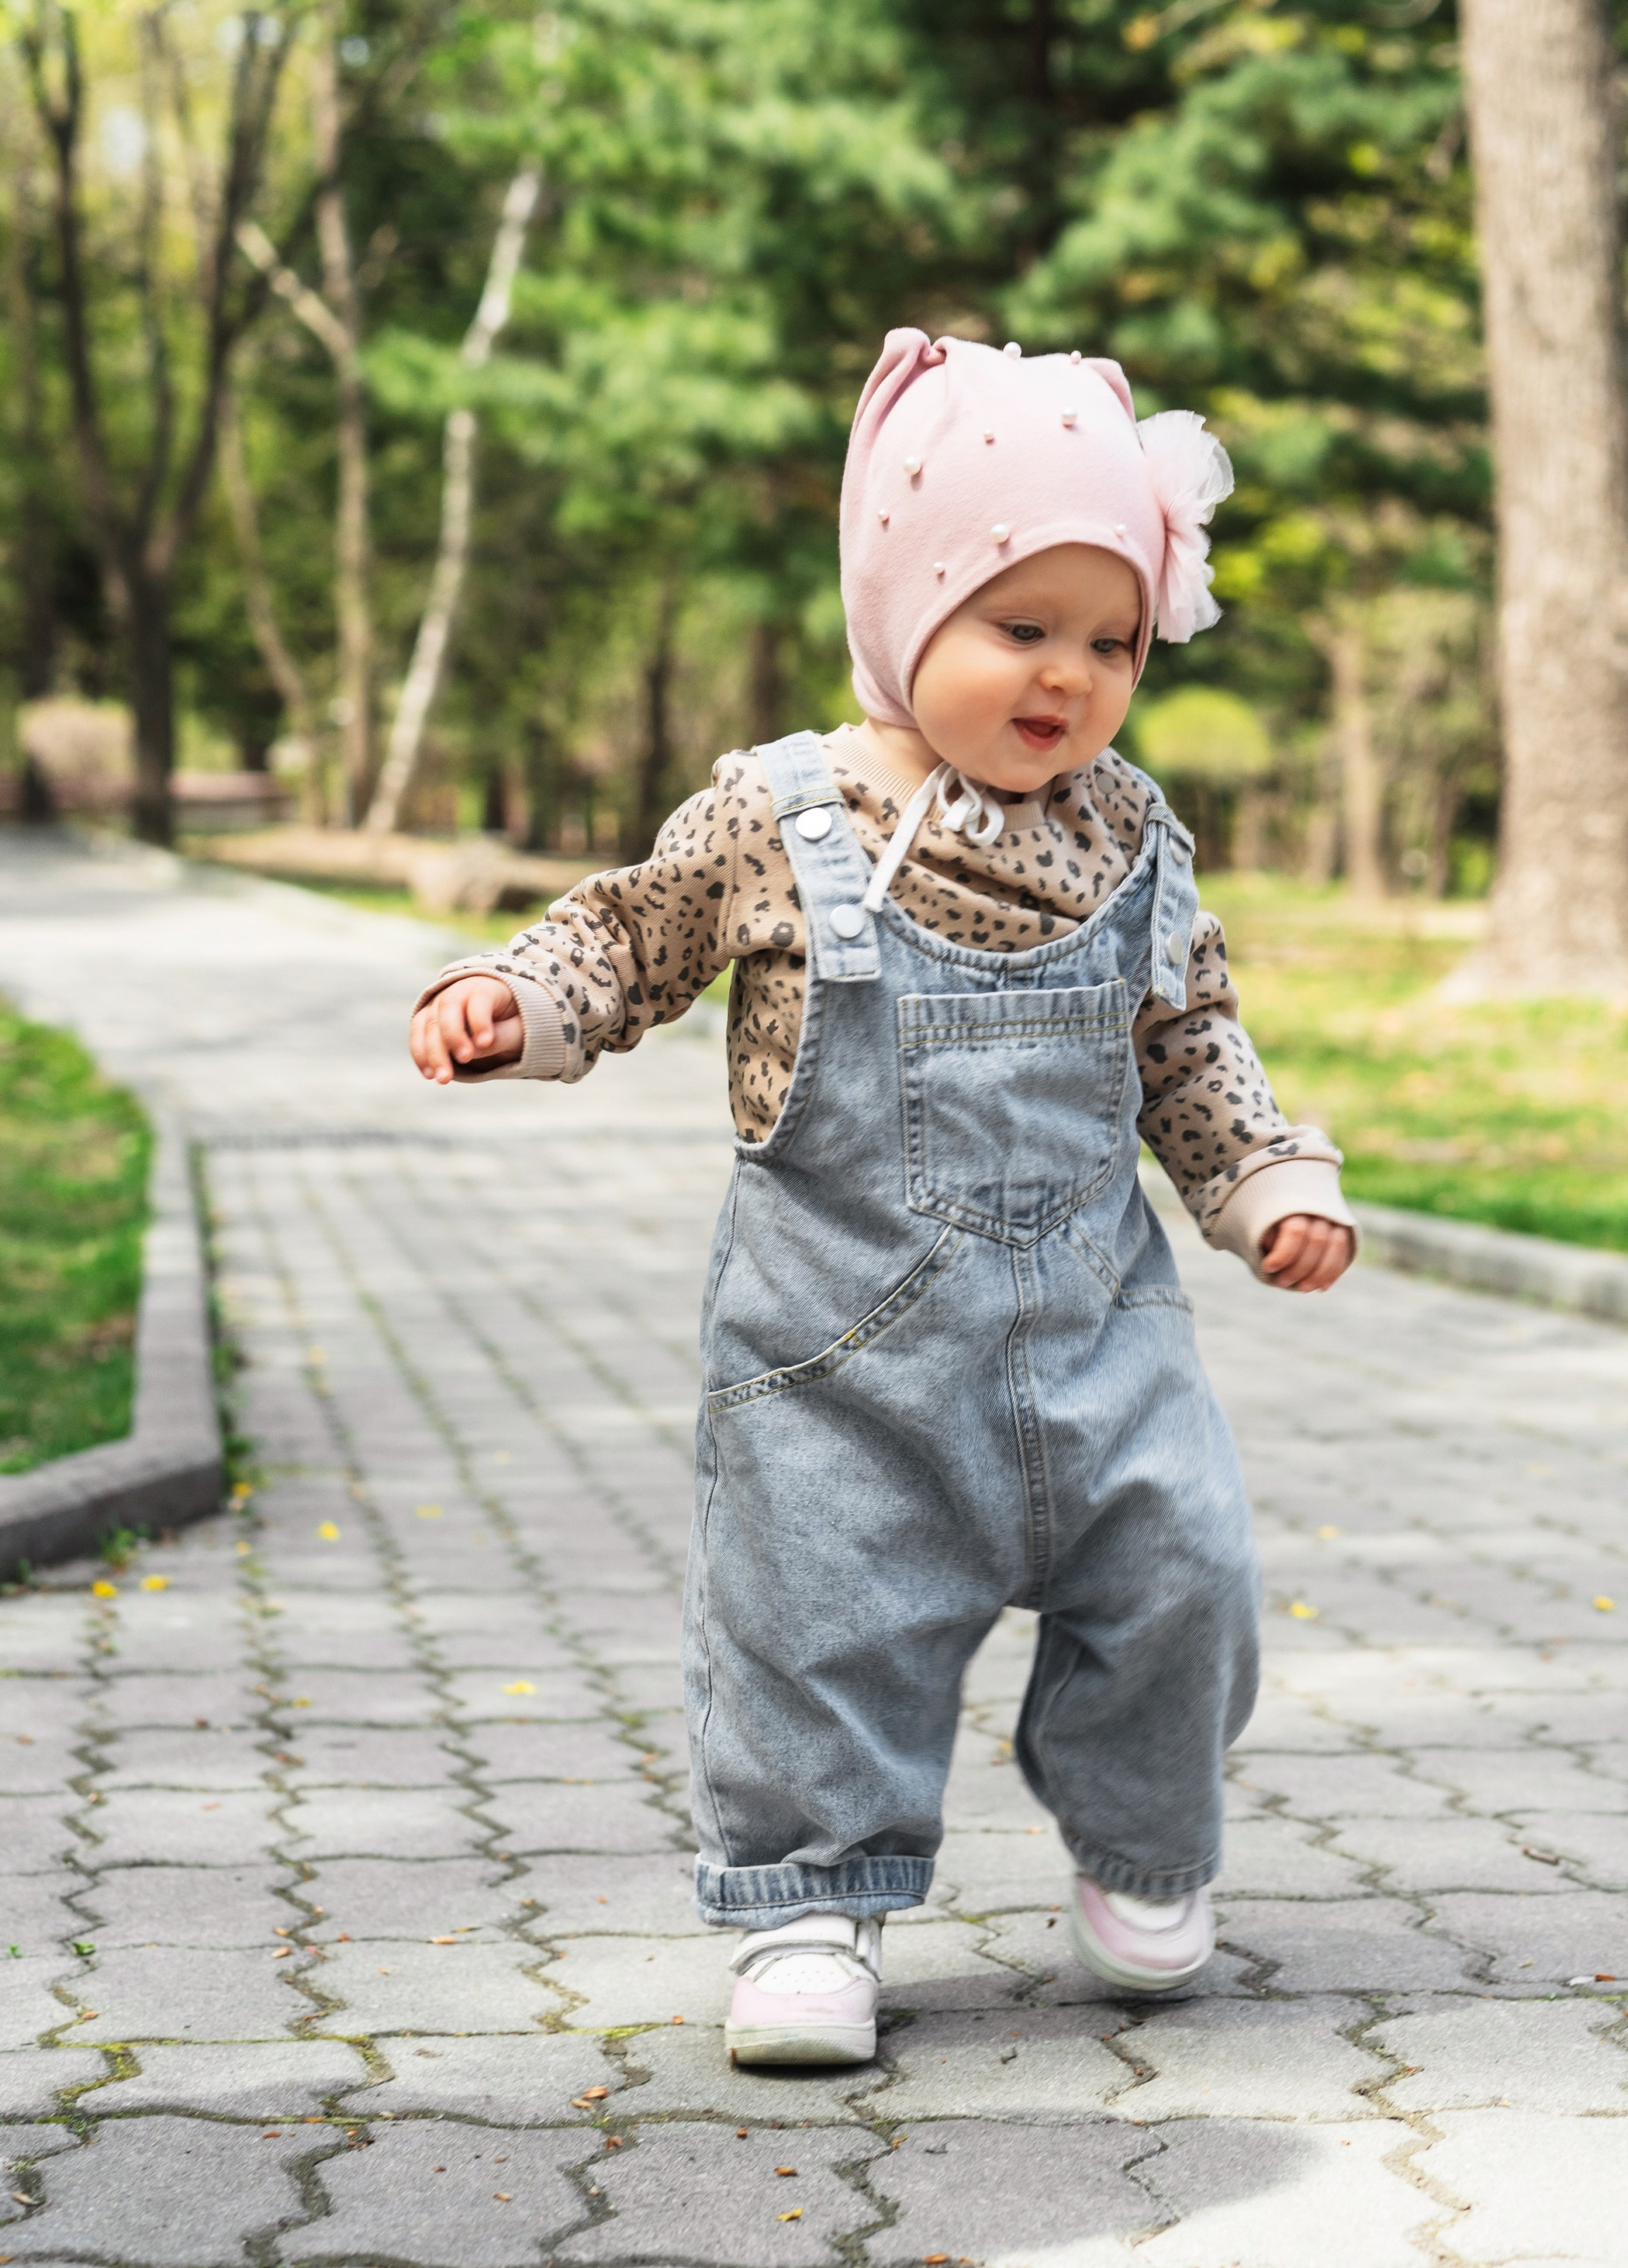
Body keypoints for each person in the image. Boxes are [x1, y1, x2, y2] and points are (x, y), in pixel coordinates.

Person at [408, 328, 1356, 2069]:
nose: (1068, 676)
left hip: (1104, 1345)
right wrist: (521, 1000)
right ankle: (809, 1907)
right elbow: (631, 934)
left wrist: (1261, 1179)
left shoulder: (1128, 833)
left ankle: (1141, 1846)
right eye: (1019, 627)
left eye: (1112, 640)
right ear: (902, 606)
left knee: (1189, 1571)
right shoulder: (786, 814)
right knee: (814, 1621)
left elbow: (1188, 1037)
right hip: (838, 1366)